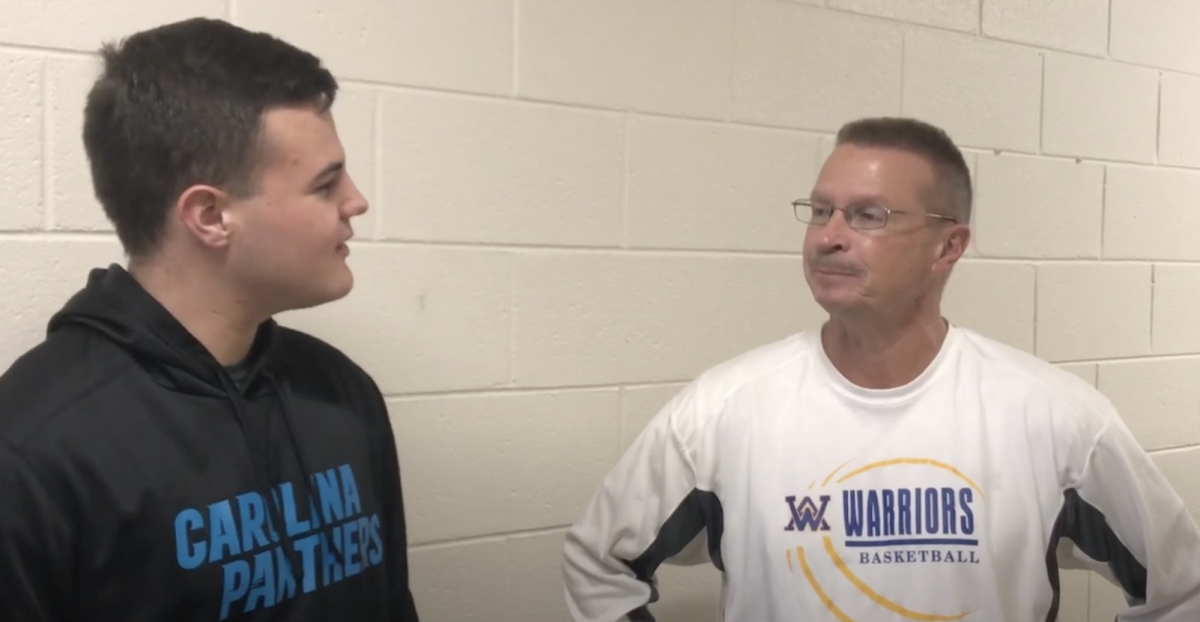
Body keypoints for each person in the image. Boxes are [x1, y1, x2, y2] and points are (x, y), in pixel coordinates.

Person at [561, 116, 1200, 621]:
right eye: (819, 210)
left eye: (868, 215)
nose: (827, 236)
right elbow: (599, 562)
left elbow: (1183, 586)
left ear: (948, 245)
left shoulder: (1054, 417)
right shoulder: (724, 410)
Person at [0, 17, 419, 622]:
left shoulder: (343, 393)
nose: (356, 201)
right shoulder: (32, 450)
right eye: (325, 184)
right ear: (210, 216)